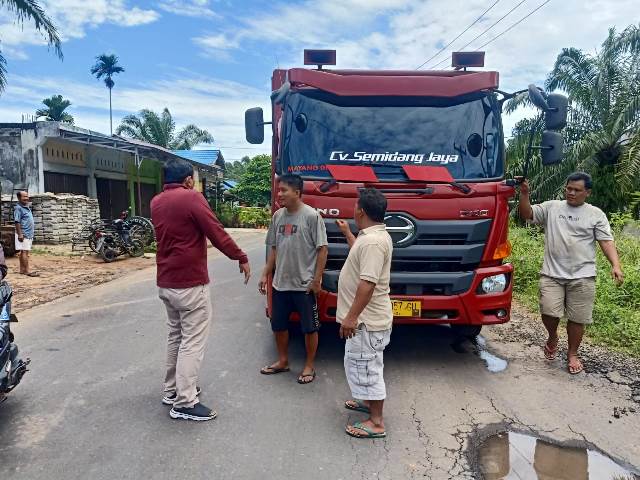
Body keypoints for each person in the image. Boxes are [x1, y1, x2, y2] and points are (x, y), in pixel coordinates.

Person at [151, 159, 251, 421]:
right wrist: (240, 256)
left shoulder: (157, 201)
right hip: (190, 283)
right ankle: (185, 401)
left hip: (166, 281)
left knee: (176, 336)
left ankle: (172, 390)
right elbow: (216, 232)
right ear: (187, 180)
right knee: (192, 342)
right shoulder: (191, 199)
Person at [518, 172, 623, 374]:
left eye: (577, 190)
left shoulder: (595, 214)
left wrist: (615, 265)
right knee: (548, 311)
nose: (571, 193)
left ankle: (572, 353)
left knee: (578, 319)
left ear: (587, 192)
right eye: (569, 188)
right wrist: (524, 194)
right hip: (552, 274)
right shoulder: (552, 207)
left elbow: (606, 241)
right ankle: (553, 337)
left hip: (583, 275)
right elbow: (527, 214)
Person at [259, 173, 328, 384]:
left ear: (297, 193)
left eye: (283, 190)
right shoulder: (277, 216)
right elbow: (274, 248)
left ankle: (308, 366)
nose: (279, 194)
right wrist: (265, 274)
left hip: (304, 285)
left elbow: (322, 249)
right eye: (278, 190)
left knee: (309, 328)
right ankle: (283, 361)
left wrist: (317, 279)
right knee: (278, 325)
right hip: (281, 283)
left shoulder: (312, 216)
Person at [335, 188, 393, 439]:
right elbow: (359, 255)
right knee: (359, 363)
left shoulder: (372, 242)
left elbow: (367, 283)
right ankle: (368, 402)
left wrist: (351, 318)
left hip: (366, 322)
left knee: (368, 367)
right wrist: (348, 233)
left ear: (361, 211)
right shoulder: (372, 237)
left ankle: (376, 422)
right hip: (367, 321)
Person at [14, 191, 38, 277]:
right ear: (19, 198)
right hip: (24, 234)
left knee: (23, 251)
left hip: (27, 233)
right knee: (25, 252)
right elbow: (17, 221)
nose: (26, 198)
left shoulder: (25, 207)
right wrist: (20, 234)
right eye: (24, 197)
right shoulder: (18, 208)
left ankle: (22, 270)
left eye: (27, 196)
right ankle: (27, 270)